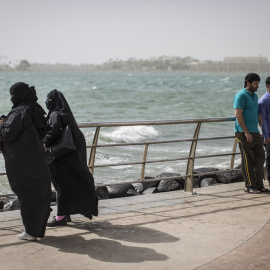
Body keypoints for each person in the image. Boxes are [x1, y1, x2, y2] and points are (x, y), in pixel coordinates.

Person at [0, 82, 52, 241]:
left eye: (12, 95)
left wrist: (1, 124)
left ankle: (30, 232)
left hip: (22, 162)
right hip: (37, 160)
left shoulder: (20, 111)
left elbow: (9, 134)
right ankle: (35, 228)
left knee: (26, 194)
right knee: (39, 194)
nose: (11, 98)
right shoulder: (34, 109)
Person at [43, 89, 98, 226]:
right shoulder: (66, 115)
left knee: (60, 187)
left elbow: (53, 132)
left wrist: (43, 141)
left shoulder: (55, 114)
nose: (46, 102)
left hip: (59, 159)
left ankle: (61, 217)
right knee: (67, 185)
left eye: (48, 100)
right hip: (70, 159)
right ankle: (65, 215)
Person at [234, 73, 269, 193]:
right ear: (248, 83)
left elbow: (254, 110)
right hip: (243, 132)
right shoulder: (241, 95)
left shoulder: (255, 96)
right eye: (255, 83)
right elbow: (238, 115)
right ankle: (249, 186)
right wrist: (246, 132)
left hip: (255, 131)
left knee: (260, 157)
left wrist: (259, 115)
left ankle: (259, 185)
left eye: (258, 83)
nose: (258, 86)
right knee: (248, 159)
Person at [258, 76, 270, 186]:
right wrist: (266, 136)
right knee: (269, 158)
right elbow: (263, 121)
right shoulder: (263, 101)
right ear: (268, 86)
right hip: (269, 134)